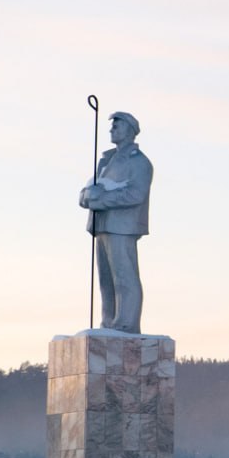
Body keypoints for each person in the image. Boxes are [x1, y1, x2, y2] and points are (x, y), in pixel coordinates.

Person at [79, 111, 153, 334]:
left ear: (130, 130)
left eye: (117, 126)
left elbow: (135, 194)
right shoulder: (105, 160)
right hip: (101, 226)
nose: (112, 130)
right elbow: (86, 193)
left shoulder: (138, 162)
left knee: (124, 276)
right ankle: (109, 322)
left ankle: (126, 323)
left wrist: (101, 199)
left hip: (123, 227)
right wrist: (90, 196)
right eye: (112, 126)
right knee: (106, 280)